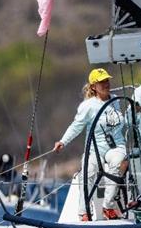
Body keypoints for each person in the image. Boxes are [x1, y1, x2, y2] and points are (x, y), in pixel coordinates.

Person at [54, 68, 128, 220]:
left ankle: (108, 206)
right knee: (88, 171)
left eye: (107, 80)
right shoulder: (88, 106)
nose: (106, 84)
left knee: (118, 163)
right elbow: (76, 126)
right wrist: (63, 141)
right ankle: (84, 212)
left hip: (116, 145)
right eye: (101, 82)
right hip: (95, 147)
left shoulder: (116, 100)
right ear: (94, 86)